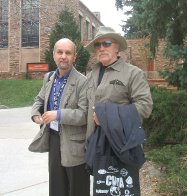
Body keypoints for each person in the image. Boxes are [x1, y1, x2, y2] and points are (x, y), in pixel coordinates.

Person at [84, 26, 153, 195]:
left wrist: (107, 117)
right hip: (98, 144)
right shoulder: (91, 74)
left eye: (106, 43)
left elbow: (145, 106)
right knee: (101, 190)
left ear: (117, 48)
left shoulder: (133, 73)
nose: (101, 48)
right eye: (97, 45)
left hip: (122, 145)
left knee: (124, 191)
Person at [29, 38, 90, 196]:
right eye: (60, 52)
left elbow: (84, 114)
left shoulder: (83, 82)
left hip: (75, 145)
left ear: (74, 57)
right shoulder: (49, 77)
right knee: (57, 188)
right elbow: (40, 100)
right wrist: (36, 114)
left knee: (77, 189)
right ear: (54, 55)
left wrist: (58, 114)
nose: (63, 56)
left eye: (68, 53)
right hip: (54, 139)